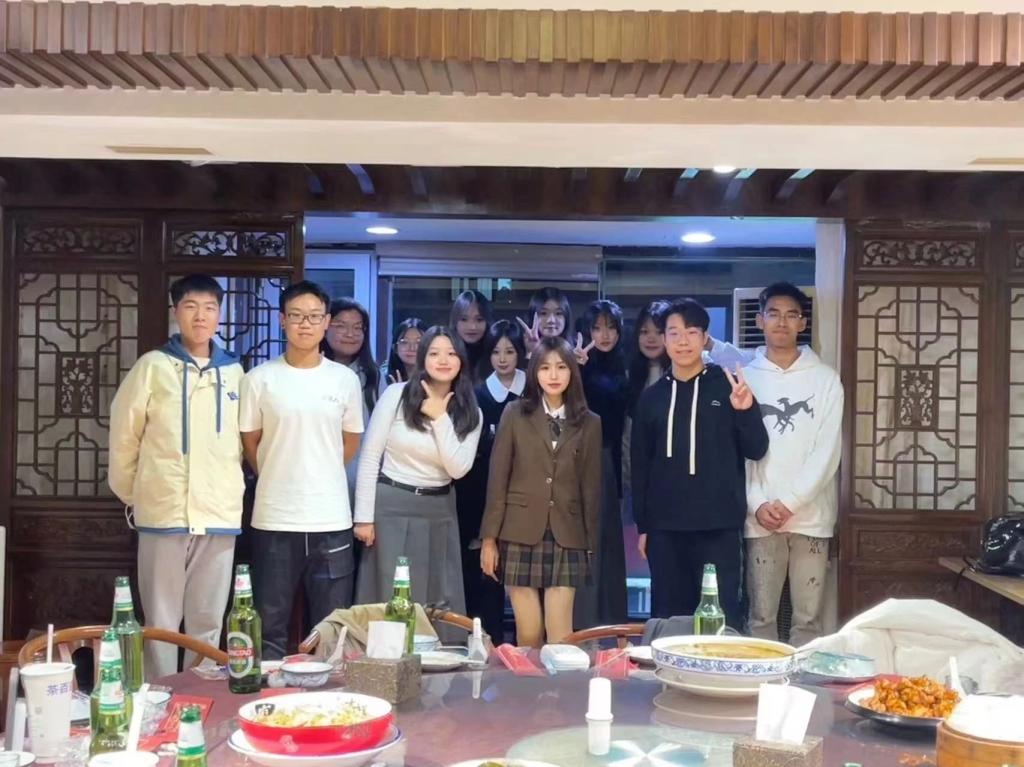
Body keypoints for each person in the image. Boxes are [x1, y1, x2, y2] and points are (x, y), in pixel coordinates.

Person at [109, 274, 244, 678]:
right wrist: (138, 494)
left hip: (218, 512)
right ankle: (159, 695)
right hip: (163, 511)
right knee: (161, 619)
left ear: (219, 315)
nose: (200, 316)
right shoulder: (152, 367)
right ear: (175, 312)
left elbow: (247, 441)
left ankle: (203, 695)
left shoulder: (235, 372)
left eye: (209, 308)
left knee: (208, 617)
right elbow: (124, 436)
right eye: (191, 307)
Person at [706, 283, 842, 646]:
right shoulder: (743, 377)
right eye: (774, 314)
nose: (782, 322)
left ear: (802, 323)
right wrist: (759, 504)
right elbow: (734, 452)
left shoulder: (826, 379)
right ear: (759, 320)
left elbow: (828, 451)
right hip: (760, 515)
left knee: (808, 621)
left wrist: (791, 502)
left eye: (791, 314)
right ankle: (760, 681)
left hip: (812, 517)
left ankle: (806, 683)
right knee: (761, 617)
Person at [240, 281, 365, 659]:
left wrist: (318, 471)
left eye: (314, 316)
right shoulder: (259, 379)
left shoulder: (344, 380)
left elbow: (349, 443)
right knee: (269, 623)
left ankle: (330, 694)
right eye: (296, 316)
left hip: (330, 518)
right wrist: (282, 472)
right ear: (282, 320)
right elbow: (251, 443)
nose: (305, 324)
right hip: (275, 518)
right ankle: (271, 693)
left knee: (331, 627)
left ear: (326, 322)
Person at [630, 298, 769, 629]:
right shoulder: (652, 398)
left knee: (721, 617)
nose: (682, 341)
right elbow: (640, 466)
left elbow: (757, 448)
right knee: (668, 619)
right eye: (674, 333)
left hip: (718, 526)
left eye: (691, 332)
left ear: (705, 338)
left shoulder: (727, 386)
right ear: (664, 340)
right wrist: (644, 526)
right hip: (665, 529)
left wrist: (745, 411)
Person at [354, 326, 483, 619]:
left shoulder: (471, 410)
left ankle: (438, 649)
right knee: (389, 592)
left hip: (440, 508)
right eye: (434, 353)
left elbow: (458, 469)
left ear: (461, 360)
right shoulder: (396, 395)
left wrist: (440, 418)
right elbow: (370, 456)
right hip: (391, 504)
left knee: (438, 595)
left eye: (451, 353)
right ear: (423, 358)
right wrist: (363, 518)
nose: (443, 360)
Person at [480, 336, 602, 647]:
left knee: (560, 636)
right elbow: (497, 479)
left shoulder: (589, 422)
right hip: (518, 531)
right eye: (545, 367)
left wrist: (590, 547)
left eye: (561, 367)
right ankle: (527, 682)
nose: (553, 375)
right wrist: (489, 540)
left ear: (572, 371)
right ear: (534, 372)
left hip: (568, 534)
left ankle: (561, 683)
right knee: (530, 633)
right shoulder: (514, 413)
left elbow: (590, 489)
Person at [454, 320, 526, 643]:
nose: (503, 358)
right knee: (487, 577)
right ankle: (489, 643)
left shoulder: (535, 390)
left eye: (510, 351)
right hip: (486, 492)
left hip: (527, 493)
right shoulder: (479, 394)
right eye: (496, 352)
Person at [573, 300, 628, 627]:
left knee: (608, 542)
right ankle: (581, 621)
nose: (604, 335)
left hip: (613, 462)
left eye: (610, 327)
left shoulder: (626, 366)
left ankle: (609, 623)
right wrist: (577, 369)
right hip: (580, 462)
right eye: (596, 328)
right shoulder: (577, 367)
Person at [323, 298, 380, 510]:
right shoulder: (310, 373)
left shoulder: (374, 377)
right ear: (325, 326)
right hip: (318, 481)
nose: (350, 334)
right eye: (341, 326)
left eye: (358, 328)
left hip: (362, 484)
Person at [622, 300, 670, 497]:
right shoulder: (629, 375)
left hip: (672, 483)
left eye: (659, 332)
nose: (651, 338)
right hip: (635, 482)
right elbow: (627, 436)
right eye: (644, 332)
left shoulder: (680, 375)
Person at [449, 290, 492, 383]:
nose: (472, 327)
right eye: (464, 319)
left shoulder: (496, 354)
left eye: (479, 319)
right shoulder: (446, 354)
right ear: (455, 321)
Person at [517, 287, 572, 358]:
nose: (551, 320)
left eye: (558, 313)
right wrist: (531, 352)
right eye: (543, 313)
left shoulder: (575, 351)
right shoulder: (517, 350)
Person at [383, 317, 426, 387]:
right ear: (395, 347)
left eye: (418, 342)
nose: (412, 348)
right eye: (404, 342)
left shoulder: (438, 377)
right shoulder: (382, 379)